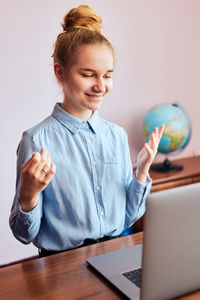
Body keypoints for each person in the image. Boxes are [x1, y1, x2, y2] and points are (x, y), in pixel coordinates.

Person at [9, 5, 164, 257]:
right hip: (63, 265)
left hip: (117, 253)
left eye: (108, 75)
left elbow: (128, 217)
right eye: (88, 74)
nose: (101, 86)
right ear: (60, 72)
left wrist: (142, 171)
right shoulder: (36, 140)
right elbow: (24, 234)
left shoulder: (117, 136)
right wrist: (27, 197)